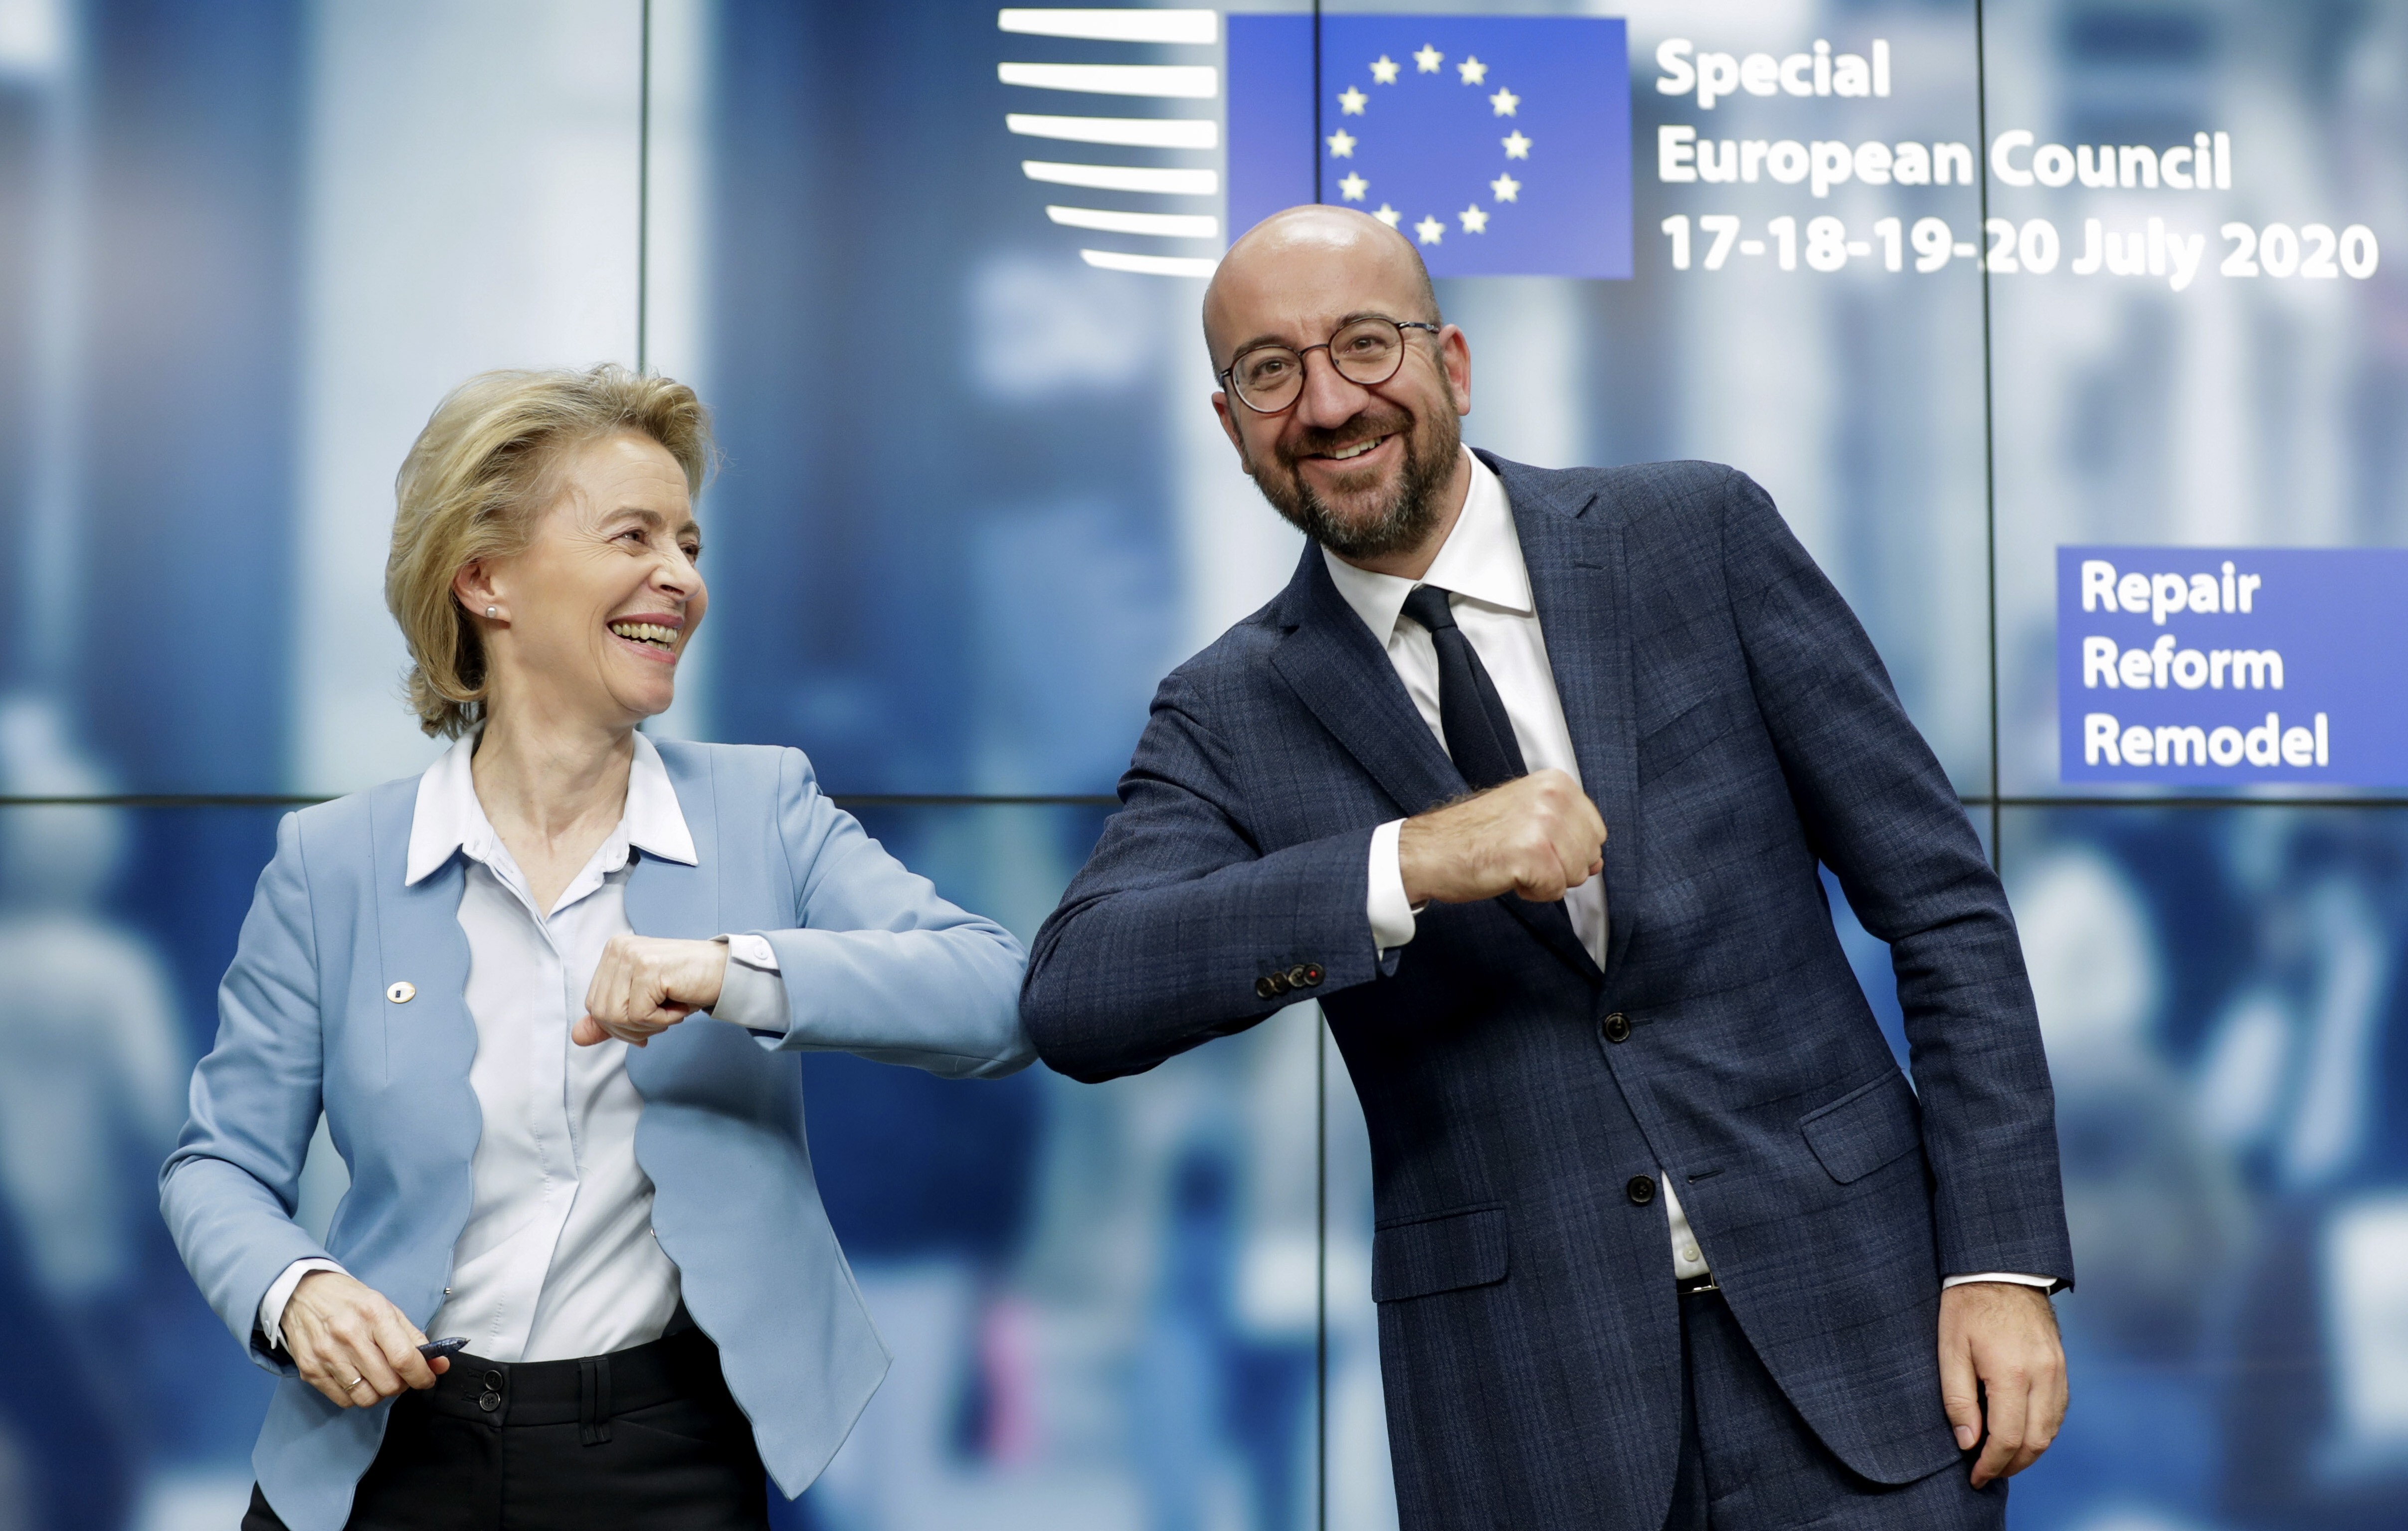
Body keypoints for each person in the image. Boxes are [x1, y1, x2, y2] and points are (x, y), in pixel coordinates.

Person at [1021, 206, 2073, 1530]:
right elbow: (1075, 996)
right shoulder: (1227, 709)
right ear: (1229, 426)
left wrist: (1997, 1260)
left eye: (1363, 345)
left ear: (1451, 364)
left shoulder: (1697, 536)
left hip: (1862, 1351)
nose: (1328, 403)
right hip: (1526, 1419)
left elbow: (1939, 904)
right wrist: (1405, 862)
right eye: (1269, 372)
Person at [162, 365, 1031, 1531]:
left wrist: (735, 969)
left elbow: (1002, 996)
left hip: (661, 1458)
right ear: (487, 579)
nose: (681, 578)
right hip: (376, 1457)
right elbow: (217, 1164)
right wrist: (293, 1288)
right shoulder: (332, 864)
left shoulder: (764, 809)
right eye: (634, 536)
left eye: (689, 542)